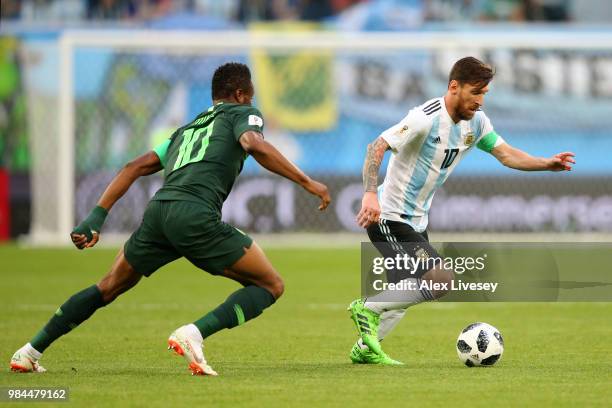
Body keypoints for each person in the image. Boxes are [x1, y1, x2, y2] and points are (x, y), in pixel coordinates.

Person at [10, 62, 331, 376]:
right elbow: (252, 143)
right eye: (251, 95)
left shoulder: (186, 130)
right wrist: (306, 182)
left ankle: (30, 351)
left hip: (158, 213)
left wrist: (95, 217)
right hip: (194, 215)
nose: (253, 101)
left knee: (107, 287)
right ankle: (194, 333)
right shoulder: (243, 113)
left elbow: (132, 167)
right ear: (240, 94)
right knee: (270, 284)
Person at [347, 56, 575, 365]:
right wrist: (370, 195)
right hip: (388, 216)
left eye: (484, 94)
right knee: (439, 280)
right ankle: (366, 308)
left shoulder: (477, 122)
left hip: (415, 220)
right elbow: (376, 146)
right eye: (475, 92)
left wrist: (546, 164)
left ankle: (364, 349)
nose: (480, 101)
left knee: (403, 291)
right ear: (454, 87)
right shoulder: (424, 118)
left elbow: (506, 154)